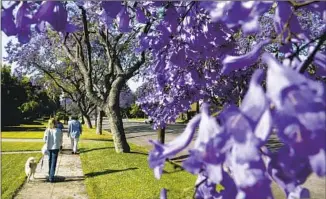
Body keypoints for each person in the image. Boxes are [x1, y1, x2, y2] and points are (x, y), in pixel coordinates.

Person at [43, 118, 62, 183]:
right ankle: (51, 176)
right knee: (53, 162)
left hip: (48, 147)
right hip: (55, 147)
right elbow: (60, 139)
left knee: (50, 160)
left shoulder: (47, 130)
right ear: (55, 123)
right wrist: (60, 145)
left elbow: (44, 140)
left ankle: (50, 173)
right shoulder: (58, 130)